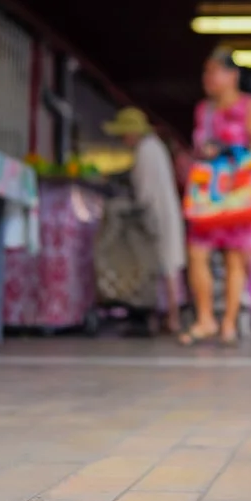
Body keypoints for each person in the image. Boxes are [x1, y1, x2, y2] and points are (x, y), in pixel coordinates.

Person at [180, 47, 251, 346]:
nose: (207, 78)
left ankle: (229, 323)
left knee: (235, 259)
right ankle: (205, 318)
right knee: (196, 253)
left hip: (238, 193)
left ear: (232, 75)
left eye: (213, 71)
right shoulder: (203, 110)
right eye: (205, 72)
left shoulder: (249, 106)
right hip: (209, 193)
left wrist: (231, 153)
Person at [103, 107, 186, 333]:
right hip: (162, 212)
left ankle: (172, 317)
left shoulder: (146, 150)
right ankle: (171, 315)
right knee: (168, 265)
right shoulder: (153, 146)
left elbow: (145, 192)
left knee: (165, 265)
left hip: (156, 216)